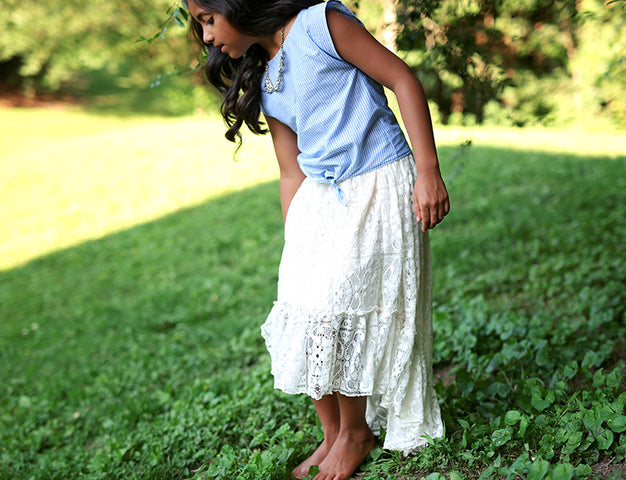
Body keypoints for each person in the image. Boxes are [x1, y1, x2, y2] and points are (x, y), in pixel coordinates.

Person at [185, 1, 450, 478]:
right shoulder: (265, 76)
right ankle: (332, 434)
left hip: (377, 180)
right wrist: (298, 238)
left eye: (207, 18)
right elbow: (291, 171)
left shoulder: (320, 24)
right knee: (304, 306)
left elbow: (403, 80)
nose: (206, 37)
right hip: (321, 197)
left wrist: (427, 170)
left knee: (337, 307)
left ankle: (356, 432)